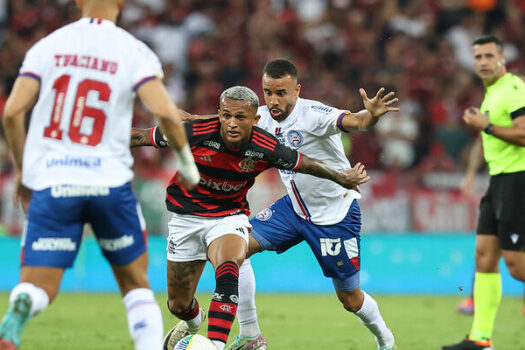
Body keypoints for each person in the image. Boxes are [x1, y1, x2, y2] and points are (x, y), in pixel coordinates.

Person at [140, 59, 400, 350]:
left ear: (297, 90)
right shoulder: (256, 116)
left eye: (281, 93)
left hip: (334, 216)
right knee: (237, 248)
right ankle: (251, 336)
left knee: (350, 299)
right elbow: (206, 122)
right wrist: (172, 112)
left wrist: (372, 116)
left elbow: (357, 121)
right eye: (268, 92)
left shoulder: (314, 114)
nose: (274, 100)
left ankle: (385, 338)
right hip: (292, 210)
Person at [0, 1, 200, 349]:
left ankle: (25, 301)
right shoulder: (133, 50)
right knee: (136, 287)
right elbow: (166, 113)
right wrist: (186, 164)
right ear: (121, 3)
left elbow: (13, 113)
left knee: (39, 285)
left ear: (78, 1)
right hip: (110, 184)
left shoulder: (47, 47)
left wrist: (23, 172)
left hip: (53, 181)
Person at [442, 35, 525, 350]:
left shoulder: (513, 89)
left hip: (518, 180)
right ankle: (480, 339)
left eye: (490, 55)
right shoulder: (492, 94)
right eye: (478, 57)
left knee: (517, 266)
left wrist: (486, 126)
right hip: (499, 180)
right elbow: (488, 138)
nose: (484, 61)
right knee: (484, 256)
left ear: (502, 58)